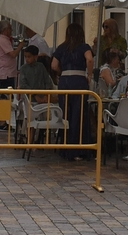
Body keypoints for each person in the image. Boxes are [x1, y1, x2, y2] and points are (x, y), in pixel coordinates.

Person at [50, 22, 93, 160]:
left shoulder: (61, 48)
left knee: (66, 115)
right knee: (78, 115)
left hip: (64, 81)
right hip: (79, 80)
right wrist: (89, 75)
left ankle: (66, 148)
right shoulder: (84, 47)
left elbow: (54, 65)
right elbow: (89, 59)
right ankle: (79, 149)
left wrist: (62, 72)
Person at [0, 20, 20, 89]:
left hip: (7, 73)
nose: (12, 30)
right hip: (6, 74)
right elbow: (13, 54)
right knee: (7, 93)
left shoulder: (3, 39)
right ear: (5, 30)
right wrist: (20, 46)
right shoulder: (3, 40)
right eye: (10, 28)